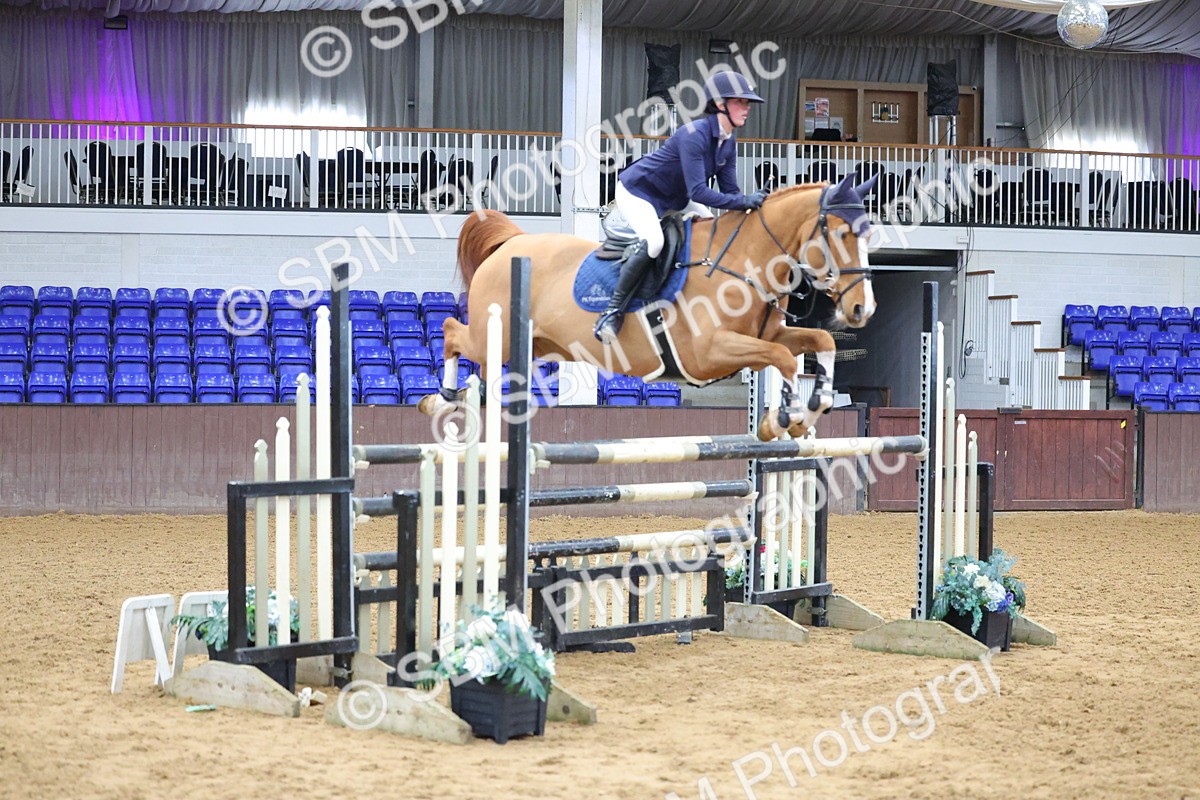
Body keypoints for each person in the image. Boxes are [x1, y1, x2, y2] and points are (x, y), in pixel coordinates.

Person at [593, 70, 770, 344]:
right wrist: (743, 200)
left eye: (747, 103)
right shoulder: (694, 135)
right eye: (740, 102)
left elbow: (731, 192)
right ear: (720, 104)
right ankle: (611, 312)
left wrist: (756, 208)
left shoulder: (728, 142)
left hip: (676, 197)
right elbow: (699, 191)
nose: (747, 108)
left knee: (712, 227)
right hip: (640, 191)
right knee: (654, 242)